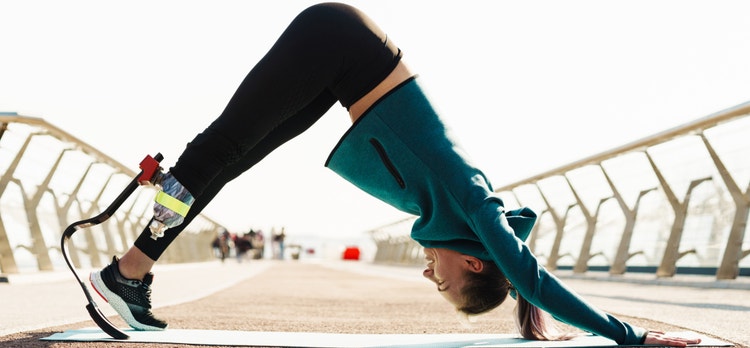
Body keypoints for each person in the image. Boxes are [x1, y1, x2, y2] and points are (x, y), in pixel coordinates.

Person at [88, 3, 700, 346]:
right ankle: (125, 273)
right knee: (220, 147)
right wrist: (633, 339)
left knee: (233, 158)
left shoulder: (452, 211)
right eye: (445, 281)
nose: (430, 274)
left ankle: (133, 276)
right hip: (340, 42)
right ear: (476, 261)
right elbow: (532, 280)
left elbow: (524, 291)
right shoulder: (475, 204)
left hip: (341, 71)